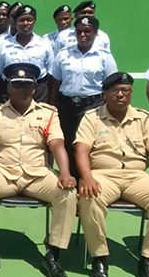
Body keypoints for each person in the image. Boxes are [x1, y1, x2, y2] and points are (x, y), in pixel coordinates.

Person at [0, 63, 77, 277]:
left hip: (37, 174)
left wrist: (65, 173)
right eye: (17, 85)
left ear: (35, 88)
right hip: (3, 172)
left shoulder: (48, 114)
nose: (21, 89)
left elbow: (57, 145)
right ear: (8, 87)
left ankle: (53, 256)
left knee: (67, 194)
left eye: (27, 85)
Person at [75, 72, 149, 277]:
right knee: (89, 197)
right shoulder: (92, 117)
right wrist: (86, 177)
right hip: (103, 174)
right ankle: (100, 258)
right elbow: (81, 149)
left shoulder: (143, 118)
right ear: (105, 94)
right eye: (116, 91)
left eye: (126, 91)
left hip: (136, 176)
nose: (121, 95)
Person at [49, 16, 118, 174]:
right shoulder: (63, 55)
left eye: (87, 31)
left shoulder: (104, 56)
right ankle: (71, 179)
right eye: (79, 31)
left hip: (93, 105)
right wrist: (52, 105)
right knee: (67, 142)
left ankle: (90, 177)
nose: (83, 35)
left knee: (90, 143)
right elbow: (55, 82)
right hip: (67, 105)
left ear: (95, 33)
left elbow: (111, 85)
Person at [0, 4, 55, 104]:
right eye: (21, 20)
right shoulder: (4, 45)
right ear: (15, 22)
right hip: (11, 91)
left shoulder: (44, 44)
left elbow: (51, 73)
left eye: (29, 20)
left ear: (34, 21)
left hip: (38, 92)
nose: (26, 23)